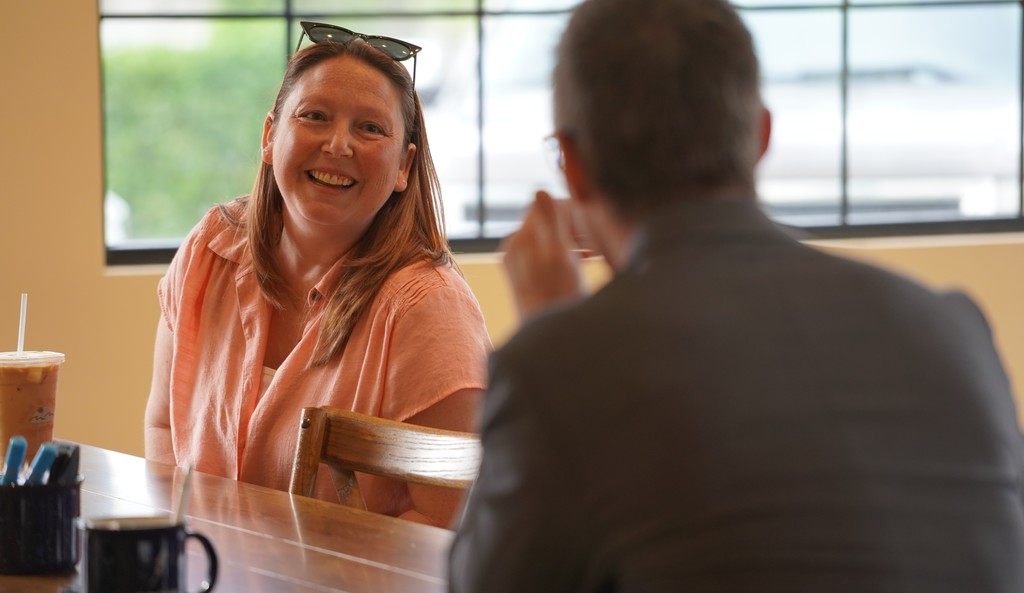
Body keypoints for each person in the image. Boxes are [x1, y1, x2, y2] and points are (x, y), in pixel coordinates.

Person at [449, 0, 1024, 589]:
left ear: (570, 166)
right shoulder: (955, 329)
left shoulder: (558, 366)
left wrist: (554, 330)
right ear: (761, 135)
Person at [144, 23, 492, 528]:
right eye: (315, 116)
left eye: (370, 128)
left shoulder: (428, 306)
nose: (338, 144)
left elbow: (452, 524)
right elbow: (162, 427)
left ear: (403, 166)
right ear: (270, 137)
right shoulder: (209, 253)